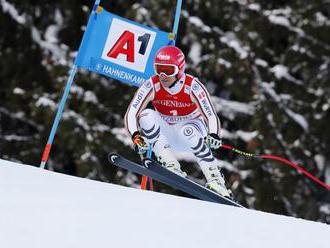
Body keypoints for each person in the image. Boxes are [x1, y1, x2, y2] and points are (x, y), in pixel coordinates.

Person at [124, 45, 231, 198]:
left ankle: (216, 179)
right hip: (167, 134)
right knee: (146, 115)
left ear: (180, 70)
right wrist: (135, 137)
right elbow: (132, 112)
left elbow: (211, 115)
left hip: (192, 133)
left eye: (168, 70)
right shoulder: (152, 85)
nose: (163, 75)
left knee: (187, 131)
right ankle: (170, 163)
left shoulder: (192, 86)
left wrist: (213, 134)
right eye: (158, 69)